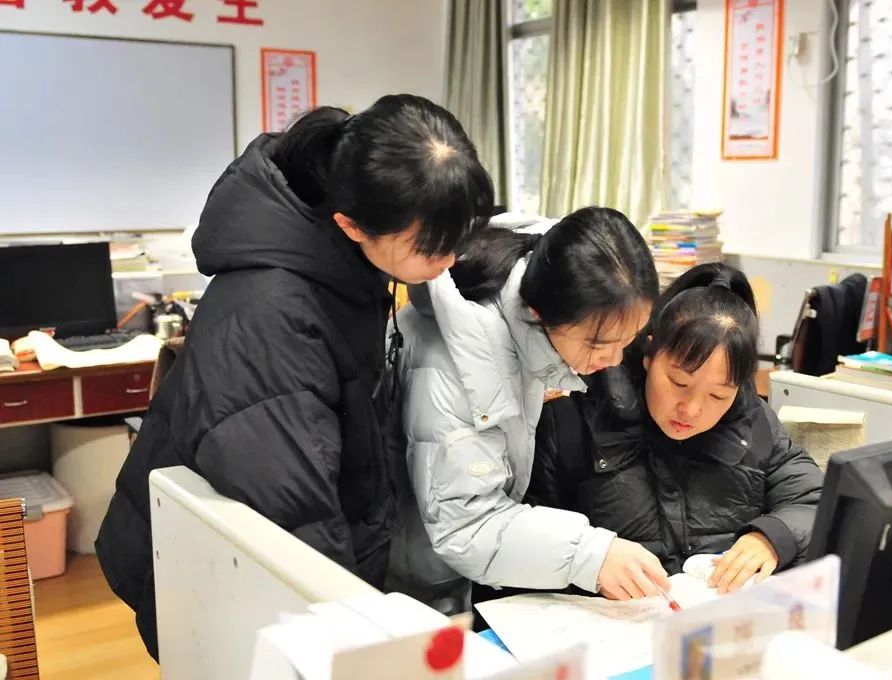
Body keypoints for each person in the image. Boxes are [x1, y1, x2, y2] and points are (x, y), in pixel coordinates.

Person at [96, 95, 494, 659]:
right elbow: (294, 516)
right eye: (431, 247)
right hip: (223, 576)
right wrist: (349, 636)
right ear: (350, 225)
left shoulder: (343, 264)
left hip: (270, 557)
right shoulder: (272, 317)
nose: (448, 261)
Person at [387, 207, 668, 611]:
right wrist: (590, 555)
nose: (614, 360)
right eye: (597, 344)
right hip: (411, 580)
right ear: (539, 314)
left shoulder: (548, 266)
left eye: (629, 339)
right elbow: (466, 526)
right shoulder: (462, 364)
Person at [529, 262, 823, 594]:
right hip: (608, 618)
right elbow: (522, 542)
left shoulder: (753, 422)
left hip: (717, 615)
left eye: (718, 395)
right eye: (679, 382)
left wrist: (772, 537)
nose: (692, 410)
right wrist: (587, 562)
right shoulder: (573, 420)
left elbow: (816, 500)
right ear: (649, 354)